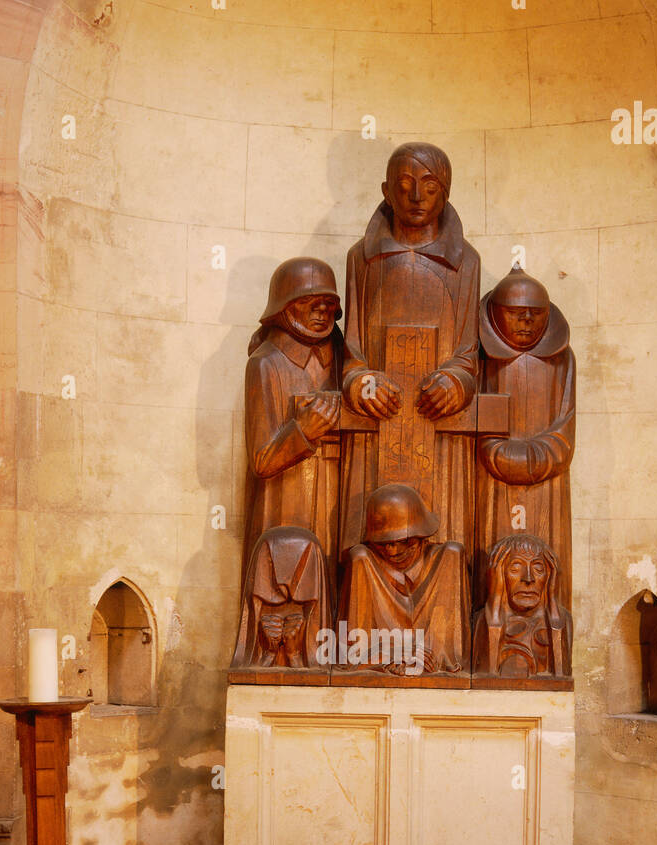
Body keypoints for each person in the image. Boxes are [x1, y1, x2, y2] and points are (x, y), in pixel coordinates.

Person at [339, 143, 480, 554]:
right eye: (404, 185)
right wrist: (362, 383)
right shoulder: (362, 260)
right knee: (366, 550)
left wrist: (456, 381)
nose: (416, 197)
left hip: (440, 430)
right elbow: (352, 354)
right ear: (386, 191)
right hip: (376, 426)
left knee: (444, 545)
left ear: (446, 192)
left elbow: (468, 354)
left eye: (430, 186)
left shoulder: (465, 262)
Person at [476, 267, 575, 609]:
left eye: (535, 315)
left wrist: (530, 457)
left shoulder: (561, 359)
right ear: (495, 313)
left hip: (547, 482)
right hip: (489, 481)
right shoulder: (480, 358)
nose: (527, 323)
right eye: (517, 315)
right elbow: (472, 418)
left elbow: (565, 424)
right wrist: (493, 452)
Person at [243, 258, 342, 577]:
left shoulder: (343, 361)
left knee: (330, 581)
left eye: (328, 304)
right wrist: (301, 431)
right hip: (285, 498)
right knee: (288, 582)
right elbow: (261, 461)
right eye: (310, 303)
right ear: (283, 308)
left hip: (338, 493)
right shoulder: (266, 363)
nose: (321, 313)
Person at [339, 484, 470, 675]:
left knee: (453, 552)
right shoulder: (364, 561)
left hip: (432, 669)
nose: (392, 551)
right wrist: (390, 653)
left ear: (421, 535)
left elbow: (455, 649)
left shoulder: (446, 560)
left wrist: (432, 657)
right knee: (359, 555)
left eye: (402, 541)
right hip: (383, 659)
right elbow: (352, 652)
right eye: (383, 544)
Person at [231, 526, 331, 669]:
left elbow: (314, 665)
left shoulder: (312, 607)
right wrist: (269, 652)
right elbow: (249, 664)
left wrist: (294, 653)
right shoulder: (258, 602)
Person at [473, 533, 572, 678]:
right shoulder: (482, 620)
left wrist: (552, 597)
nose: (528, 578)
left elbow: (561, 674)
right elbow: (489, 673)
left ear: (550, 575)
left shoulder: (561, 620)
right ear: (499, 574)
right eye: (515, 569)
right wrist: (496, 596)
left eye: (538, 569)